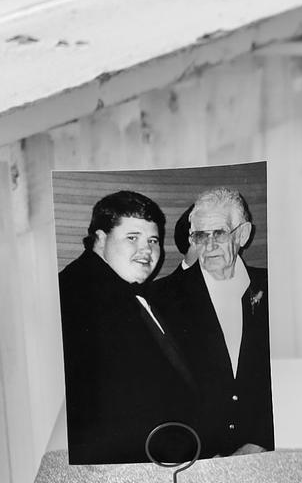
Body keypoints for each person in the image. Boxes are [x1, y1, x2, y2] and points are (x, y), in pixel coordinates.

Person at [57, 190, 196, 464]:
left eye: (153, 240)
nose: (147, 250)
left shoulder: (115, 286)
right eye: (132, 237)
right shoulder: (79, 296)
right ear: (100, 239)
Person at [154, 188, 274, 457]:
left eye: (219, 234)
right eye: (200, 236)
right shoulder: (161, 299)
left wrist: (260, 440)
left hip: (266, 453)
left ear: (242, 235)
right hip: (196, 459)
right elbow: (156, 394)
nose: (208, 247)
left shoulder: (274, 286)